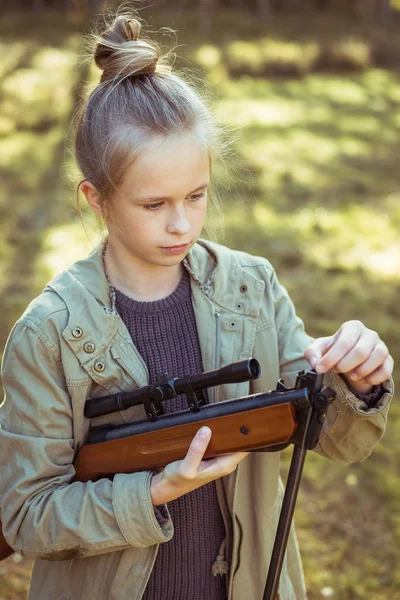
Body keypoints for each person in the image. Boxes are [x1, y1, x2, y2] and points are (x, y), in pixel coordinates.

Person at [0, 12, 394, 600]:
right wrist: (152, 491)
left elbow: (332, 437)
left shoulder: (250, 288)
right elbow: (26, 516)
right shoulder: (50, 333)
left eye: (196, 195)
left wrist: (357, 383)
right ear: (96, 198)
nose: (181, 223)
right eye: (154, 203)